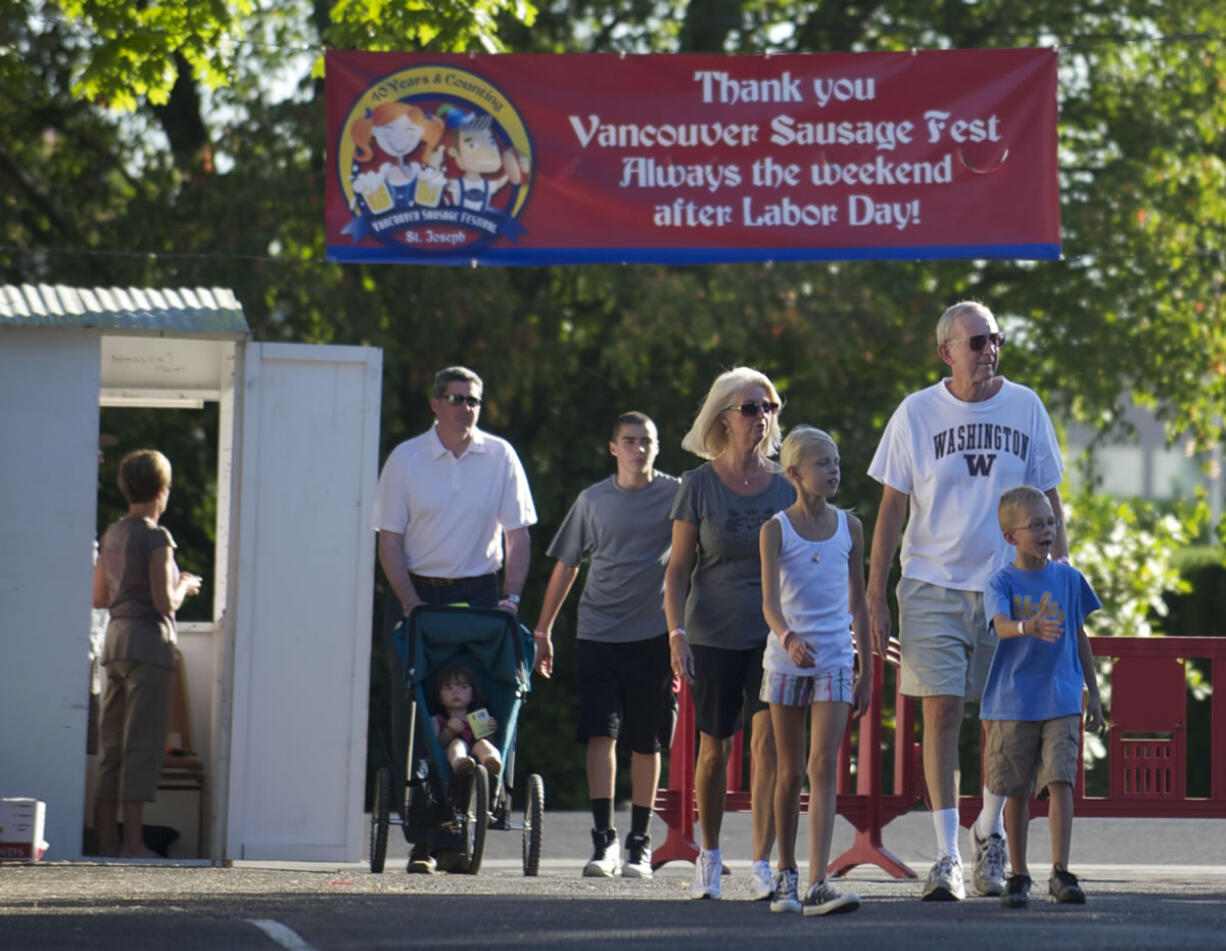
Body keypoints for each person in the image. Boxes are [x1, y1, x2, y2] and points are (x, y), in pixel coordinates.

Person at [866, 300, 1067, 901]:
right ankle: (947, 855)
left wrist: (1057, 579)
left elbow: (1050, 500)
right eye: (976, 342)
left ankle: (989, 832)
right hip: (931, 582)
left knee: (1006, 724)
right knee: (943, 711)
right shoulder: (916, 412)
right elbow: (892, 508)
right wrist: (875, 593)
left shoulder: (1026, 405)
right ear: (945, 352)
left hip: (1009, 585)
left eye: (995, 339)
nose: (989, 350)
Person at [370, 365, 537, 874]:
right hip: (421, 596)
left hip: (481, 596)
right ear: (435, 404)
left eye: (474, 400)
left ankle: (478, 796)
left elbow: (518, 535)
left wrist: (511, 597)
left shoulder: (500, 455)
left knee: (482, 696)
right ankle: (424, 837)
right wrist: (408, 600)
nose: (467, 407)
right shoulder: (407, 459)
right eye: (457, 398)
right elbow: (390, 540)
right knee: (418, 709)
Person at [665, 367, 795, 901]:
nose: (760, 417)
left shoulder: (787, 484)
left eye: (768, 408)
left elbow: (806, 560)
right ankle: (710, 857)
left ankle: (762, 862)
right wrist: (675, 633)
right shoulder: (697, 485)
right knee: (715, 748)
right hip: (712, 632)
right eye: (749, 408)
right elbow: (676, 570)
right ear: (724, 417)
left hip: (772, 635)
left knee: (768, 747)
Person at [532, 412, 679, 880]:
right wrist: (543, 631)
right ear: (613, 448)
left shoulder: (677, 494)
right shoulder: (593, 500)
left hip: (654, 633)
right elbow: (567, 565)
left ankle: (639, 843)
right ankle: (604, 841)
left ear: (657, 446)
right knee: (601, 734)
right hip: (597, 632)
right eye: (629, 441)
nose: (639, 449)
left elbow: (698, 558)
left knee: (647, 741)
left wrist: (686, 632)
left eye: (646, 441)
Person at [759, 426, 871, 915]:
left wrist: (864, 660)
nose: (833, 469)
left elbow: (862, 603)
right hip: (787, 658)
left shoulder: (851, 526)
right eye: (822, 462)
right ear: (794, 473)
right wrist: (788, 638)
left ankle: (819, 879)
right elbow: (767, 603)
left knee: (824, 766)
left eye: (836, 461)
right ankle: (785, 873)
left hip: (835, 658)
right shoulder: (775, 529)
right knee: (789, 770)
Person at [983, 486, 1104, 908]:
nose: (1047, 530)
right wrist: (1026, 627)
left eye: (1050, 521)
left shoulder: (1069, 579)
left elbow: (1080, 634)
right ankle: (1019, 873)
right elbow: (999, 625)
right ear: (1010, 536)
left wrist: (1093, 691)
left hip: (1063, 696)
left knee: (1060, 779)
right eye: (1036, 524)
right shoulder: (1001, 580)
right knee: (1015, 788)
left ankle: (1061, 870)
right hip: (1015, 700)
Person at [91, 449, 202, 858]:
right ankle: (134, 842)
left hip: (115, 641)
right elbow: (164, 602)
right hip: (148, 645)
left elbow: (99, 595)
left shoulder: (113, 534)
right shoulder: (156, 537)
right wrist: (185, 586)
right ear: (161, 492)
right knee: (141, 744)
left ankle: (105, 840)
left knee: (113, 746)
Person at [430, 662, 502, 785]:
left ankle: (492, 761)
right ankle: (460, 763)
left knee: (484, 743)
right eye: (448, 688)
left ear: (473, 693)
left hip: (477, 750)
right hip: (450, 755)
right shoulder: (437, 720)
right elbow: (435, 746)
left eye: (463, 687)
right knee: (457, 743)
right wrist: (449, 732)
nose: (455, 692)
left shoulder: (481, 717)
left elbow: (492, 742)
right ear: (439, 696)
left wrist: (489, 731)